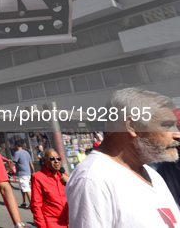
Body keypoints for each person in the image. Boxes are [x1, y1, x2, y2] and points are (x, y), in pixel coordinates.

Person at [66, 87, 180, 227]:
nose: (177, 134)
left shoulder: (153, 175)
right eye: (167, 125)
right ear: (132, 125)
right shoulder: (93, 179)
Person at [30, 149, 69, 228]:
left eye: (58, 158)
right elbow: (36, 206)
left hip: (70, 222)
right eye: (52, 159)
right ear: (44, 160)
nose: (56, 161)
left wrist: (70, 182)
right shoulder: (38, 177)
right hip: (52, 224)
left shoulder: (64, 176)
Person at [9, 140, 35, 208]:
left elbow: (13, 162)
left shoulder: (17, 153)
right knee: (22, 188)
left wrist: (8, 170)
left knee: (26, 188)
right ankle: (24, 202)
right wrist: (33, 172)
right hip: (27, 172)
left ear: (16, 146)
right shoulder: (27, 152)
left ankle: (33, 204)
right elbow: (31, 164)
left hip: (22, 173)